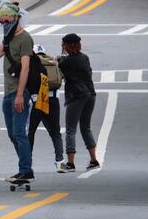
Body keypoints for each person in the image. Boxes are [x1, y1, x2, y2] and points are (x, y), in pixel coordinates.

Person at [0, 2, 35, 183]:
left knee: (19, 132)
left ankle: (26, 170)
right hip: (8, 93)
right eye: (2, 20)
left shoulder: (25, 39)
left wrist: (21, 95)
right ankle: (25, 166)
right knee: (12, 134)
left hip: (19, 92)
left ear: (16, 18)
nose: (4, 22)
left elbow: (25, 69)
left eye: (7, 19)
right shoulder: (7, 37)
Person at [58, 33, 99, 172]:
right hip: (90, 94)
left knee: (70, 129)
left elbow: (59, 70)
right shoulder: (85, 58)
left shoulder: (66, 62)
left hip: (76, 96)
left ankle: (70, 163)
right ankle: (94, 160)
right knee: (86, 128)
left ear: (67, 46)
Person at [28, 45, 65, 173]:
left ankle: (28, 162)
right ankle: (60, 161)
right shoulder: (53, 62)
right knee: (55, 132)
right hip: (53, 100)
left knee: (31, 132)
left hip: (37, 101)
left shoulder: (32, 63)